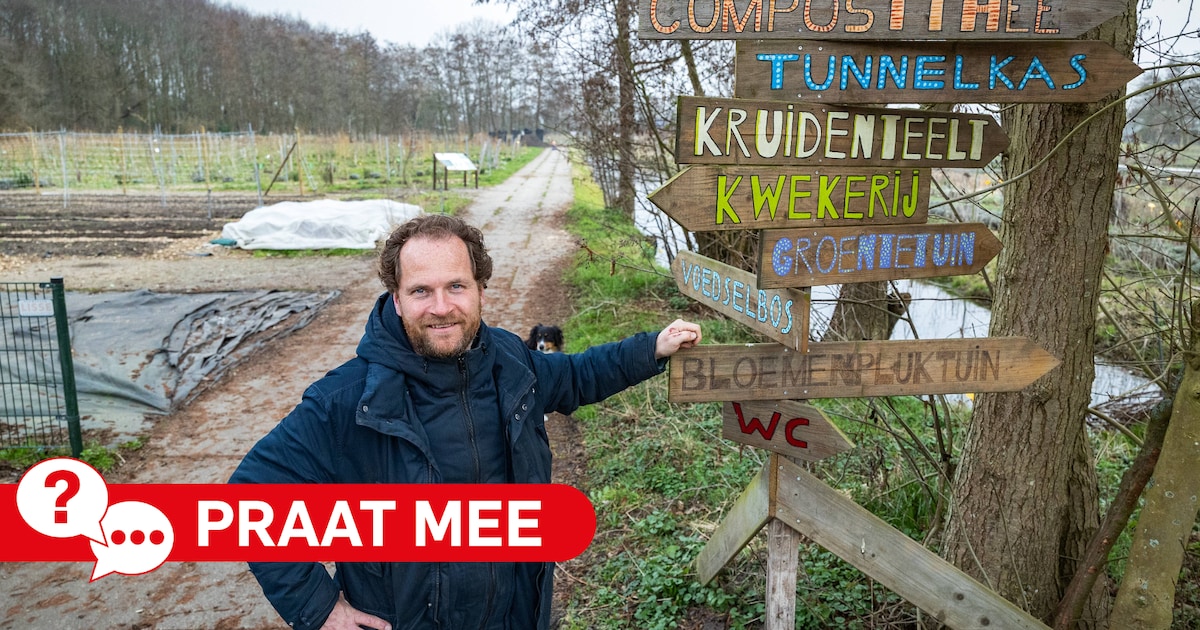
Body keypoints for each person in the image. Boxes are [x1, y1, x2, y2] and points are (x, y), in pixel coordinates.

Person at [229, 214, 701, 630]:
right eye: (420, 290)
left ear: (479, 289)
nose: (440, 306)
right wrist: (321, 609)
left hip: (516, 612)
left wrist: (651, 349)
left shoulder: (511, 361)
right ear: (395, 298)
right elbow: (248, 497)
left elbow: (576, 375)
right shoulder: (348, 401)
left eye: (456, 286)